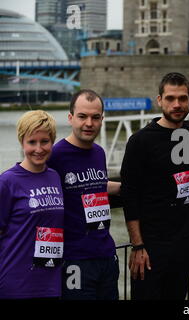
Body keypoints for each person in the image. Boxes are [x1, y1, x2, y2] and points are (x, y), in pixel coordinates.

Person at [120, 72, 189, 300]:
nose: (177, 104)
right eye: (171, 98)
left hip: (183, 244)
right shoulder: (140, 141)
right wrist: (138, 246)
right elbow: (129, 194)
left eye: (183, 98)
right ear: (159, 100)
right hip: (151, 247)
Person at [47, 89, 120, 300]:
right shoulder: (55, 155)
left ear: (102, 120)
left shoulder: (99, 153)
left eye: (95, 117)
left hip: (106, 255)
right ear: (70, 118)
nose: (89, 123)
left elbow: (97, 185)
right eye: (82, 116)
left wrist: (128, 187)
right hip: (74, 260)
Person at [0, 110, 64, 299]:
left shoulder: (54, 177)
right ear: (22, 142)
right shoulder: (7, 181)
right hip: (16, 285)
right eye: (32, 142)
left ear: (52, 141)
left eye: (44, 141)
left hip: (50, 283)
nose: (38, 148)